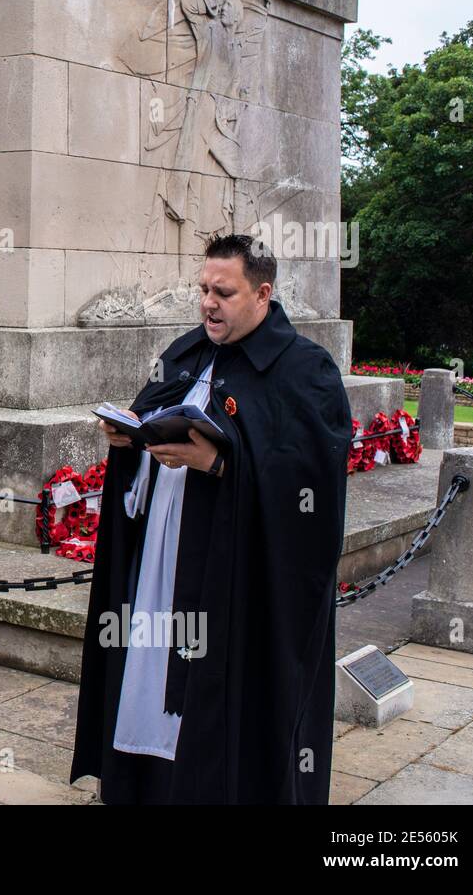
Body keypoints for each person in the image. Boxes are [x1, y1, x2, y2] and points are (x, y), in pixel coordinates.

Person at [69, 233, 351, 804]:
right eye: (203, 289)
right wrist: (128, 436)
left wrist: (222, 464)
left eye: (224, 292)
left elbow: (312, 484)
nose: (207, 303)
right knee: (150, 673)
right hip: (161, 560)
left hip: (232, 574)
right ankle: (145, 787)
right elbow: (155, 415)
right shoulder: (186, 352)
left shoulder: (305, 370)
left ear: (263, 293)